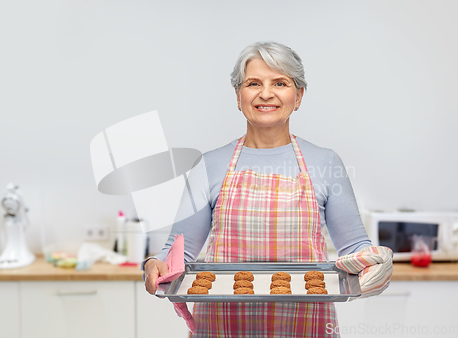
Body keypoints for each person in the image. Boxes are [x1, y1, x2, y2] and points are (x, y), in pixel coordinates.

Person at [143, 41, 392, 337]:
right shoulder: (209, 165)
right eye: (253, 83)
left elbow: (353, 249)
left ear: (298, 96)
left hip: (306, 325)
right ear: (238, 95)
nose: (265, 93)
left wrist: (375, 261)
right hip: (222, 326)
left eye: (280, 82)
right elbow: (177, 253)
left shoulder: (326, 163)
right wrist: (154, 263)